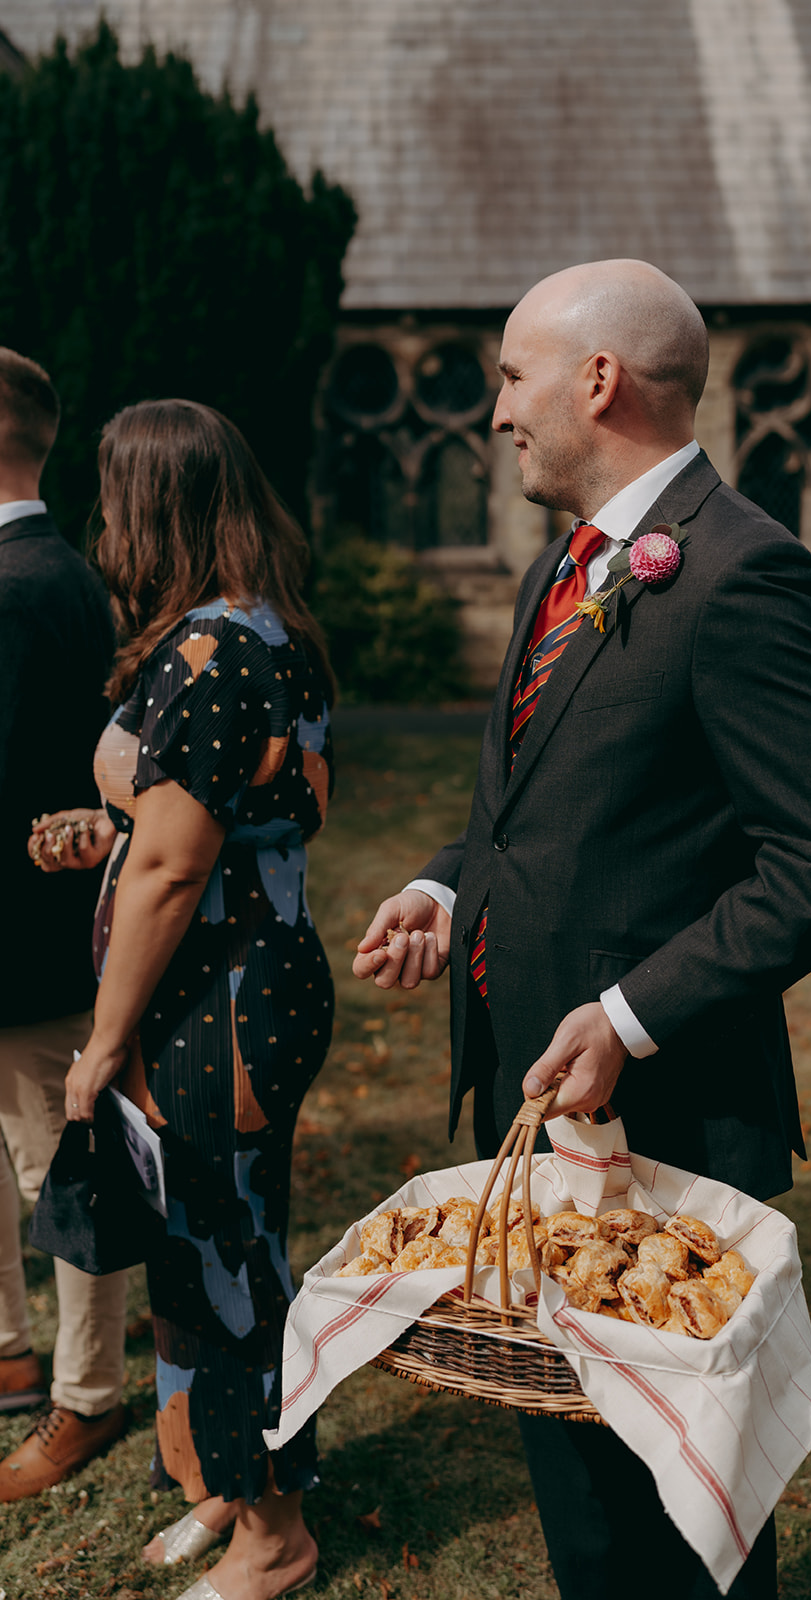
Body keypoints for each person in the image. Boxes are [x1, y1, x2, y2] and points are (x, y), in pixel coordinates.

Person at [353, 260, 811, 1599]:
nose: (494, 413)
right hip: (540, 1112)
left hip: (663, 1120)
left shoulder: (743, 575)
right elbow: (540, 802)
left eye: (509, 376)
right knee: (584, 1498)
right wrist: (440, 887)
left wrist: (630, 1015)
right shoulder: (566, 563)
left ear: (596, 382)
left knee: (675, 1511)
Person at [30, 399, 334, 1600]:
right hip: (240, 985)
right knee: (202, 1245)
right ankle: (220, 1478)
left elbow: (176, 862)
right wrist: (103, 832)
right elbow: (192, 818)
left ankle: (278, 1539)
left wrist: (101, 1040)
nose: (104, 519)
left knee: (228, 1265)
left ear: (151, 506)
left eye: (113, 496)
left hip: (217, 1007)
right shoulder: (266, 629)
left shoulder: (212, 649)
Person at [0, 349, 128, 1499]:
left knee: (62, 1175)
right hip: (42, 931)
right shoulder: (68, 569)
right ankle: (10, 1357)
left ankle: (88, 1396)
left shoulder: (16, 582)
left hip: (27, 947)